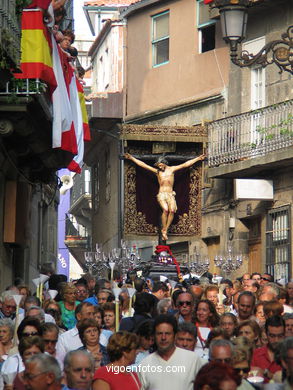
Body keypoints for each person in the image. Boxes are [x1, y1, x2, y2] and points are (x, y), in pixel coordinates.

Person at [124, 152, 205, 240]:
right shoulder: (158, 172)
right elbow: (143, 165)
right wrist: (131, 158)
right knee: (166, 210)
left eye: (160, 165)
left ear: (164, 163)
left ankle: (165, 229)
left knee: (172, 210)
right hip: (162, 194)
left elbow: (185, 165)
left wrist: (198, 158)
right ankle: (164, 229)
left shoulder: (172, 169)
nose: (159, 167)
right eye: (158, 165)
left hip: (170, 195)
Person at [138, 314, 203, 390]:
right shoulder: (145, 364)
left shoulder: (193, 360)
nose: (163, 338)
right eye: (159, 334)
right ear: (154, 336)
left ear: (175, 336)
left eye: (167, 334)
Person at [251, 315, 285, 381]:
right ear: (266, 334)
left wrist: (270, 375)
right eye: (272, 336)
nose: (276, 340)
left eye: (280, 336)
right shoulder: (255, 354)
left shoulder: (289, 356)